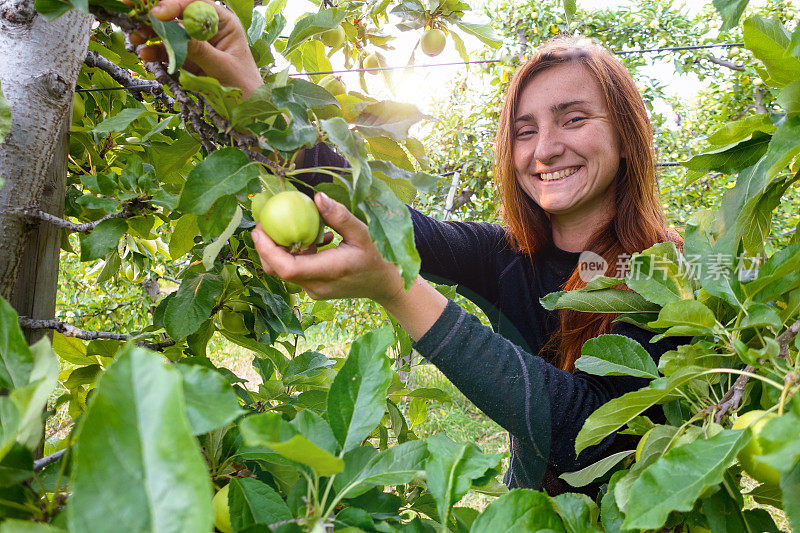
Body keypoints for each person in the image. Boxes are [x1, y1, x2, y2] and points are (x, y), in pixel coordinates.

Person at [135, 1, 685, 496]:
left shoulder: (667, 274)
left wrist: (397, 289)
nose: (546, 148)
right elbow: (390, 219)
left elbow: (594, 436)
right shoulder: (508, 255)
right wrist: (250, 93)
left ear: (626, 135)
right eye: (524, 130)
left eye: (574, 119)